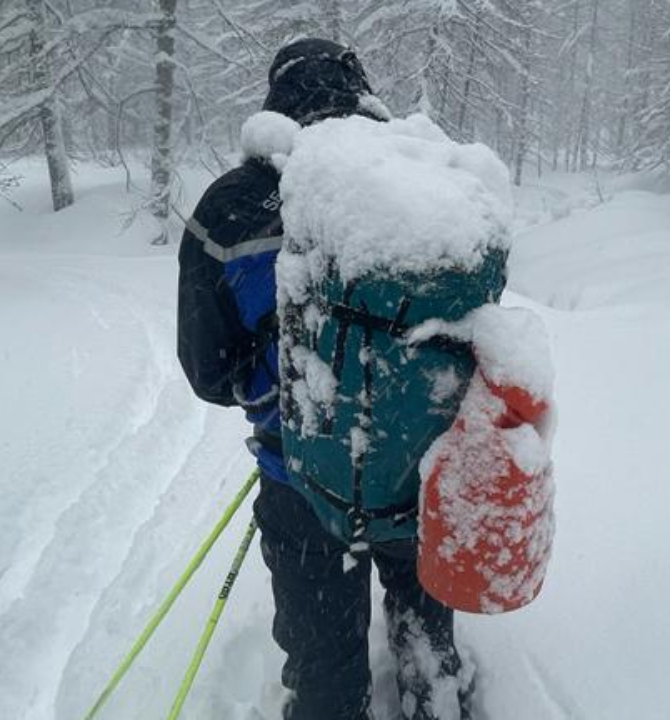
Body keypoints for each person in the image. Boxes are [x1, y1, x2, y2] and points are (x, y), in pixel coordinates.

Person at [176, 39, 472, 720]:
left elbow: (209, 375)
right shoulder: (419, 182)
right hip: (415, 474)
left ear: (275, 99)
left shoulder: (229, 205)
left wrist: (274, 388)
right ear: (362, 93)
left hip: (301, 480)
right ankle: (436, 697)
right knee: (429, 643)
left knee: (326, 675)